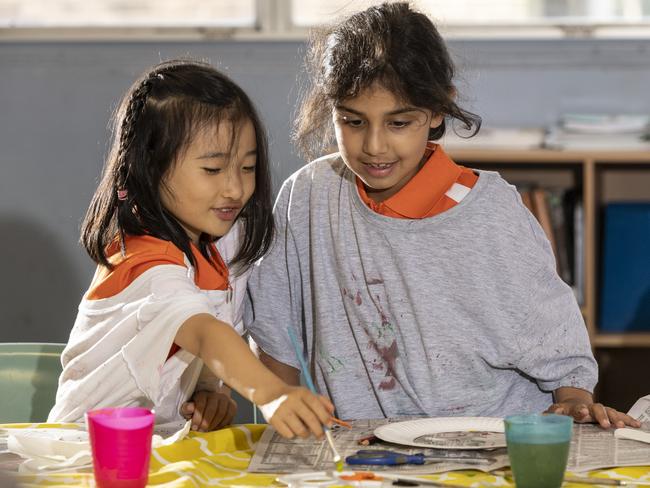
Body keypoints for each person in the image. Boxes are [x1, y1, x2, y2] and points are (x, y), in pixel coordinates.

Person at [245, 3, 640, 429]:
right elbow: (272, 335)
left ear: (437, 111)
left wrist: (574, 405)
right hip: (366, 453)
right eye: (353, 121)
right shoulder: (307, 197)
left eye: (399, 123)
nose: (374, 146)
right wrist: (280, 424)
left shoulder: (493, 214)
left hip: (490, 440)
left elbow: (562, 354)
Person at [49, 60, 333, 439]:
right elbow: (203, 331)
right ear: (151, 168)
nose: (235, 188)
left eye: (247, 168)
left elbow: (201, 337)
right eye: (213, 170)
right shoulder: (144, 264)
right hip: (84, 457)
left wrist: (206, 389)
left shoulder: (218, 244)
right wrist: (272, 393)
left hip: (158, 450)